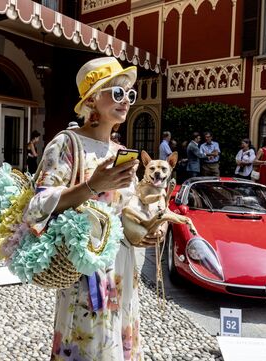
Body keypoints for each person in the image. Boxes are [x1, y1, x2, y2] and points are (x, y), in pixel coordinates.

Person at [25, 57, 163, 359]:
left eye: (129, 94)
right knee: (88, 344)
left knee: (118, 340)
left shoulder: (120, 152)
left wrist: (147, 227)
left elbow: (125, 209)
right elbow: (35, 208)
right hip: (85, 269)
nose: (125, 100)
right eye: (116, 92)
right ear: (91, 99)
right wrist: (92, 185)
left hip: (123, 268)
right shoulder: (66, 144)